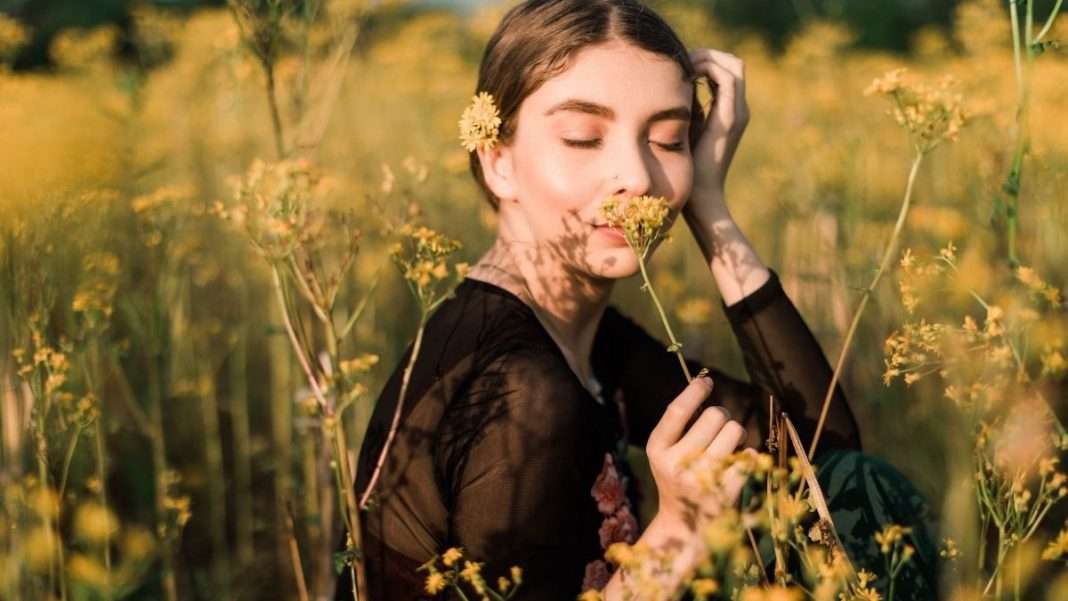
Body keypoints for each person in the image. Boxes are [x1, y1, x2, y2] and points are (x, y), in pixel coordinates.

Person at [335, 1, 936, 599]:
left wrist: (708, 205)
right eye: (582, 137)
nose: (638, 176)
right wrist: (679, 531)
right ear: (498, 163)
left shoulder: (589, 340)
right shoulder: (521, 388)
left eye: (669, 140)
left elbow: (823, 462)